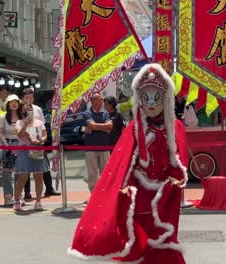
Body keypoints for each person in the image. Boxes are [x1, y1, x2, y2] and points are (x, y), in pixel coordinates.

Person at [70, 63, 188, 263]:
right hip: (139, 193)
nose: (150, 103)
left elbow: (180, 157)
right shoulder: (133, 128)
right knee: (137, 239)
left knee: (164, 240)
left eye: (156, 97)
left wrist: (177, 178)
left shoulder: (174, 126)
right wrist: (123, 186)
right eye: (145, 97)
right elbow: (121, 163)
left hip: (164, 193)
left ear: (166, 98)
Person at [21, 88, 60, 199]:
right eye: (27, 97)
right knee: (27, 168)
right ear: (23, 98)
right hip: (26, 140)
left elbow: (42, 124)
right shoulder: (21, 110)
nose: (29, 99)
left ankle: (49, 188)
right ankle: (27, 192)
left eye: (31, 97)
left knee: (44, 166)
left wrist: (41, 139)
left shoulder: (38, 109)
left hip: (38, 140)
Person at [13, 103, 47, 211]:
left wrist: (40, 140)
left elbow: (45, 135)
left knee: (38, 176)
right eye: (24, 110)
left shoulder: (39, 122)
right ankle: (17, 199)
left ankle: (38, 201)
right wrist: (25, 124)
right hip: (24, 150)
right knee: (23, 176)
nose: (26, 112)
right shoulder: (19, 122)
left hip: (37, 149)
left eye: (29, 110)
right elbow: (20, 134)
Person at [81, 93, 112, 193]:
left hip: (104, 147)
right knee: (92, 174)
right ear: (93, 101)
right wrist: (104, 127)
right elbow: (92, 125)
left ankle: (105, 194)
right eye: (100, 99)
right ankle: (94, 195)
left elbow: (110, 127)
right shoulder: (86, 113)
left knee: (106, 173)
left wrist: (95, 127)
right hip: (91, 148)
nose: (102, 102)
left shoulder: (105, 113)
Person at [0, 94, 22, 207]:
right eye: (11, 102)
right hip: (6, 144)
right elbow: (0, 132)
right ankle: (8, 197)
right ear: (7, 104)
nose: (13, 103)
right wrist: (6, 145)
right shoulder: (3, 117)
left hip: (20, 144)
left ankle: (18, 196)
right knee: (6, 173)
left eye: (16, 101)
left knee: (19, 172)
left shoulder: (22, 117)